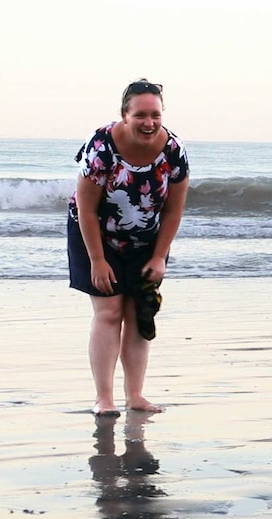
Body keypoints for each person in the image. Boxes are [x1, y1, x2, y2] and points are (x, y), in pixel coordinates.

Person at [67, 79, 189, 417]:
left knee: (139, 314)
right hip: (95, 234)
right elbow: (87, 209)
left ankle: (135, 395)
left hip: (147, 238)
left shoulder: (173, 151)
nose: (149, 122)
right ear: (124, 115)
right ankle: (103, 398)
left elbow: (174, 210)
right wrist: (97, 260)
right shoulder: (101, 147)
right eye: (140, 115)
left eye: (155, 114)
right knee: (109, 312)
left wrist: (159, 256)